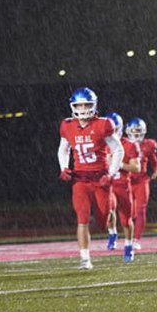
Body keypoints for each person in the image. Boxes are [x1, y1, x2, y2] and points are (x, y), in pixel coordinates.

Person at [58, 87, 123, 269]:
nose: (84, 108)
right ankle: (85, 258)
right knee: (82, 218)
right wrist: (64, 167)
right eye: (80, 105)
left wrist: (110, 174)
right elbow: (63, 148)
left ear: (94, 105)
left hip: (100, 177)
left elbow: (118, 150)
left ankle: (111, 229)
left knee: (104, 220)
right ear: (73, 106)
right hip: (80, 179)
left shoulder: (103, 124)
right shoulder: (68, 125)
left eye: (88, 105)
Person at [106, 112, 142, 262]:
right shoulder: (101, 143)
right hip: (107, 184)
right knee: (109, 209)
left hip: (122, 184)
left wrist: (118, 164)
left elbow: (136, 168)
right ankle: (112, 232)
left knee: (126, 220)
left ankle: (128, 245)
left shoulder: (129, 145)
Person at [123, 118, 157, 251]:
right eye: (133, 131)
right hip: (126, 180)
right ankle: (128, 236)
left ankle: (136, 239)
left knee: (140, 210)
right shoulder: (123, 144)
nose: (136, 134)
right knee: (129, 211)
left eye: (138, 131)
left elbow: (154, 161)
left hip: (142, 181)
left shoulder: (148, 145)